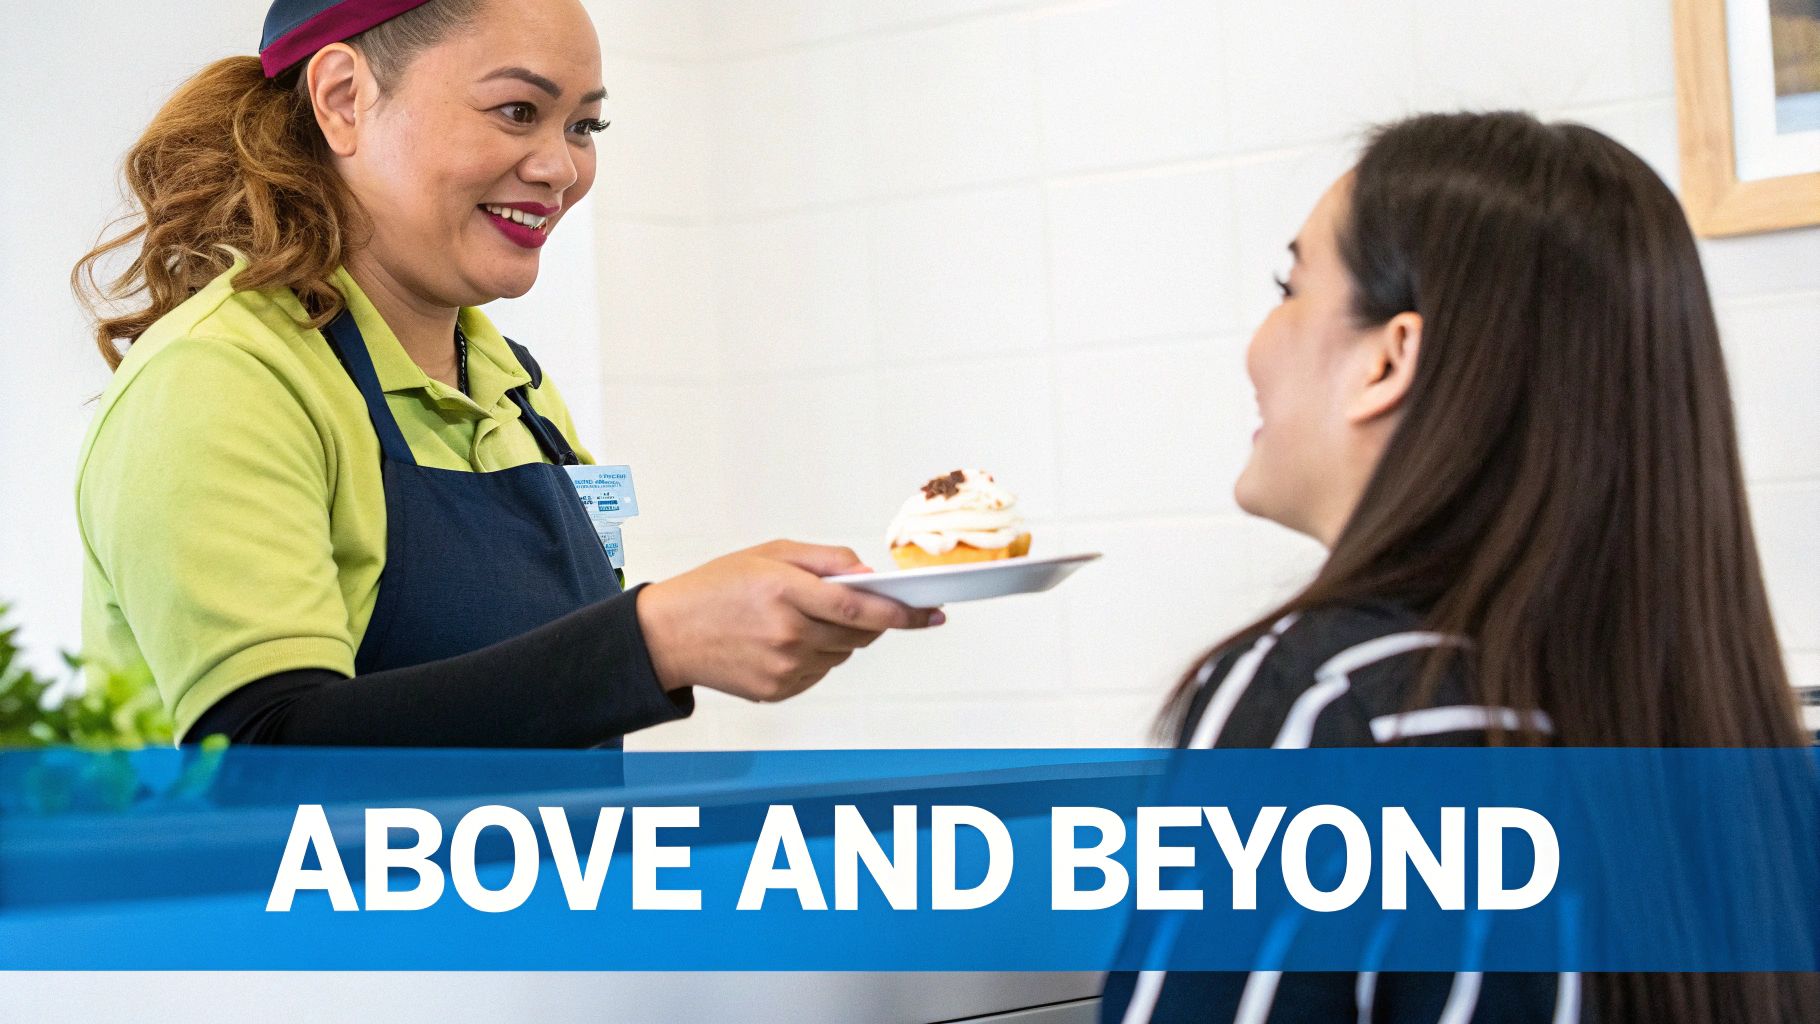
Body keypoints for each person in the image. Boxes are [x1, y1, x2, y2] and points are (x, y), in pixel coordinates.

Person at [1101, 112, 1820, 1023]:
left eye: (1290, 288)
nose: (1259, 343)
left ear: (1390, 357)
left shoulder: (1332, 703)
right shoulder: (1723, 737)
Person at [71, 0, 941, 749]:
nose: (562, 167)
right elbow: (266, 757)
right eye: (519, 110)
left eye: (584, 126)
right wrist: (655, 641)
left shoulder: (513, 392)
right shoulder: (224, 377)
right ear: (343, 99)